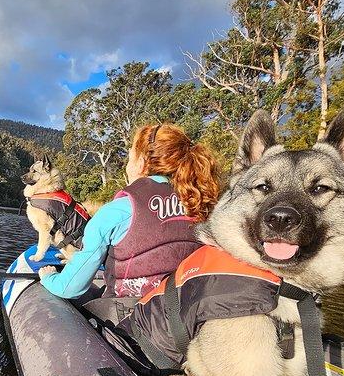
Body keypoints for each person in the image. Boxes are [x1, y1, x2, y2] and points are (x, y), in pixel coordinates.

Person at [39, 123, 220, 298]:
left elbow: (68, 288)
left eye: (129, 158)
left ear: (141, 163)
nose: (127, 165)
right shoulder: (200, 205)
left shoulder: (116, 212)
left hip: (129, 320)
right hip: (185, 316)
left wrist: (49, 277)